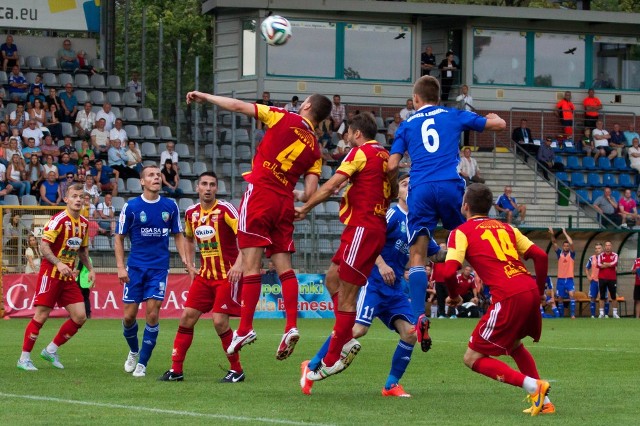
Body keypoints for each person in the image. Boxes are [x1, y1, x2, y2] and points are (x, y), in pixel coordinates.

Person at [186, 89, 332, 361]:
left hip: (261, 193)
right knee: (285, 268)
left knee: (251, 265)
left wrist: (206, 97)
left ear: (308, 105)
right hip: (284, 202)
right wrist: (298, 197)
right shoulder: (315, 148)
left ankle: (244, 328)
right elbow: (310, 192)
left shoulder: (283, 117)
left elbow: (238, 105)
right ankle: (290, 326)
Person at [388, 75, 506, 338]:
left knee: (417, 255)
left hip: (420, 190)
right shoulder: (453, 114)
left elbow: (392, 165)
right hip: (451, 186)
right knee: (469, 242)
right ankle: (499, 296)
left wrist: (388, 187)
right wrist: (495, 117)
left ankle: (418, 316)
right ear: (438, 98)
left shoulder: (406, 126)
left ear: (416, 99)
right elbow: (498, 125)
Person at [295, 112, 393, 383]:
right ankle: (346, 339)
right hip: (367, 228)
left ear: (357, 134)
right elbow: (393, 190)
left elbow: (331, 185)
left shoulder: (360, 153)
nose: (346, 138)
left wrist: (305, 206)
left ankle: (332, 358)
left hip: (363, 228)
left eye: (348, 134)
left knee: (348, 297)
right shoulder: (385, 156)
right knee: (332, 278)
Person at [301, 173, 417, 396]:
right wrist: (382, 265)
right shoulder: (392, 214)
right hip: (373, 283)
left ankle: (391, 385)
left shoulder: (418, 223)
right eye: (404, 184)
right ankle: (312, 364)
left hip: (394, 290)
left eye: (413, 185)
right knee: (357, 329)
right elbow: (368, 239)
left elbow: (433, 252)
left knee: (410, 334)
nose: (409, 188)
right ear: (397, 192)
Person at [443, 183, 552, 416]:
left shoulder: (460, 232)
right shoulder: (507, 228)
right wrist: (540, 291)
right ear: (490, 207)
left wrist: (454, 296)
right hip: (528, 289)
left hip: (509, 295)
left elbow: (448, 270)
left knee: (472, 358)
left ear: (465, 206)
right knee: (514, 345)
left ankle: (534, 386)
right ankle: (545, 402)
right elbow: (540, 256)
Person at [159, 172, 246, 383]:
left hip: (227, 275)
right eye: (204, 184)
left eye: (212, 185)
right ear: (198, 188)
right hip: (204, 276)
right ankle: (176, 370)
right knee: (186, 317)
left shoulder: (226, 209)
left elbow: (245, 235)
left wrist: (239, 264)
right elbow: (188, 239)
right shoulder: (191, 213)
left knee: (219, 321)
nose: (208, 188)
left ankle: (237, 370)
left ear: (216, 189)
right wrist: (190, 265)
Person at [115, 165, 186, 378]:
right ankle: (134, 351)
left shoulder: (170, 206)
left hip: (159, 268)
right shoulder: (131, 207)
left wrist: (185, 259)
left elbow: (178, 234)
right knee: (129, 317)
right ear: (142, 182)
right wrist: (120, 267)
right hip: (135, 268)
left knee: (153, 314)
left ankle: (142, 363)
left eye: (158, 175)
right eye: (151, 175)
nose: (155, 178)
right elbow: (118, 237)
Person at [16, 183, 95, 371]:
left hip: (68, 276)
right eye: (74, 196)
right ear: (66, 199)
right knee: (41, 315)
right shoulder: (58, 220)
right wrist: (59, 263)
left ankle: (50, 350)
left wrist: (90, 268)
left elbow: (83, 250)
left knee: (80, 316)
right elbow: (44, 247)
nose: (78, 200)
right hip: (50, 273)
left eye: (81, 197)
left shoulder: (83, 223)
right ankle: (24, 359)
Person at [549, 227, 576, 318]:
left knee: (572, 294)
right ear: (563, 246)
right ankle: (561, 316)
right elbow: (554, 242)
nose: (566, 247)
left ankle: (572, 315)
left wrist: (564, 232)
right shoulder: (559, 253)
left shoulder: (571, 254)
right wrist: (552, 234)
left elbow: (571, 242)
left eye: (567, 246)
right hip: (560, 279)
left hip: (569, 279)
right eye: (565, 246)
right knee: (559, 297)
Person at [597, 241, 620, 319]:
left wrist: (606, 263)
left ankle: (615, 313)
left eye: (609, 245)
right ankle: (601, 313)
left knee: (613, 296)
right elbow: (599, 265)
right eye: (606, 245)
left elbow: (614, 263)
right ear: (604, 247)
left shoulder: (615, 255)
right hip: (602, 278)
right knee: (602, 296)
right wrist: (609, 264)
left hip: (612, 278)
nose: (607, 247)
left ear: (611, 246)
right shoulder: (600, 255)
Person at [586, 243, 605, 318]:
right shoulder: (591, 258)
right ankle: (592, 315)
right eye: (596, 248)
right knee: (593, 297)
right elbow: (587, 268)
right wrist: (588, 276)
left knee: (603, 297)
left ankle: (603, 314)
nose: (597, 250)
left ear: (602, 249)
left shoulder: (605, 258)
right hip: (594, 280)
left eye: (599, 248)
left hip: (602, 280)